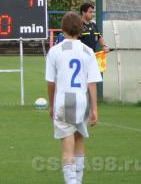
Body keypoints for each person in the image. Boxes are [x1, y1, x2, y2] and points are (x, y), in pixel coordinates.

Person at [46, 12, 102, 184]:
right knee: (79, 140)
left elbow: (51, 82)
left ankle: (72, 181)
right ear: (81, 29)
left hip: (64, 100)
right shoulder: (88, 51)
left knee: (66, 145)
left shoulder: (55, 51)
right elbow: (92, 83)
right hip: (82, 100)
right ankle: (78, 180)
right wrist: (94, 109)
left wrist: (51, 105)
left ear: (62, 29)